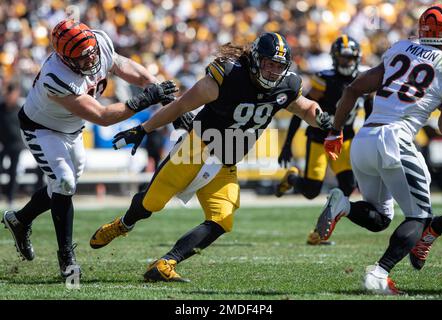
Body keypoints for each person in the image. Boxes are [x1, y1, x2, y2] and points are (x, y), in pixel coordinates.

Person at [89, 32, 333, 282]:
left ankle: (165, 263)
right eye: (269, 64)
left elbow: (304, 107)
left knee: (222, 219)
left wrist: (320, 117)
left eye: (279, 66)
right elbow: (181, 106)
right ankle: (123, 224)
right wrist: (143, 128)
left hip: (227, 161)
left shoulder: (287, 85)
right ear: (256, 60)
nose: (273, 71)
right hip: (196, 149)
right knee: (152, 203)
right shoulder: (227, 76)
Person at [0, 19, 177, 280]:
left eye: (91, 52)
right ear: (65, 59)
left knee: (61, 186)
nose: (90, 59)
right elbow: (102, 116)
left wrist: (157, 89)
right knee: (64, 181)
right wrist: (145, 99)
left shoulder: (99, 40)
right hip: (42, 129)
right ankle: (67, 261)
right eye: (81, 58)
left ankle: (20, 219)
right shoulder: (56, 75)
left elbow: (122, 65)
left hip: (72, 129)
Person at [315, 3, 442, 294]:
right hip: (395, 140)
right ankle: (379, 274)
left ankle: (345, 205)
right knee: (419, 217)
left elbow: (353, 88)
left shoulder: (401, 48)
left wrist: (335, 132)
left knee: (379, 218)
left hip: (364, 139)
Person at [276, 35, 372, 245]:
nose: (346, 62)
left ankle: (318, 232)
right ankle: (292, 178)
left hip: (344, 138)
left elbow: (371, 112)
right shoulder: (324, 79)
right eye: (342, 58)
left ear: (356, 58)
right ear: (334, 58)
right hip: (320, 137)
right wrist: (287, 144)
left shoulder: (366, 78)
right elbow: (301, 110)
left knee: (347, 185)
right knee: (311, 191)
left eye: (349, 58)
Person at [0, 82, 25, 206]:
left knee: (13, 171)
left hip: (16, 145)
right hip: (2, 144)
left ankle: (10, 198)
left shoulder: (20, 110)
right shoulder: (1, 108)